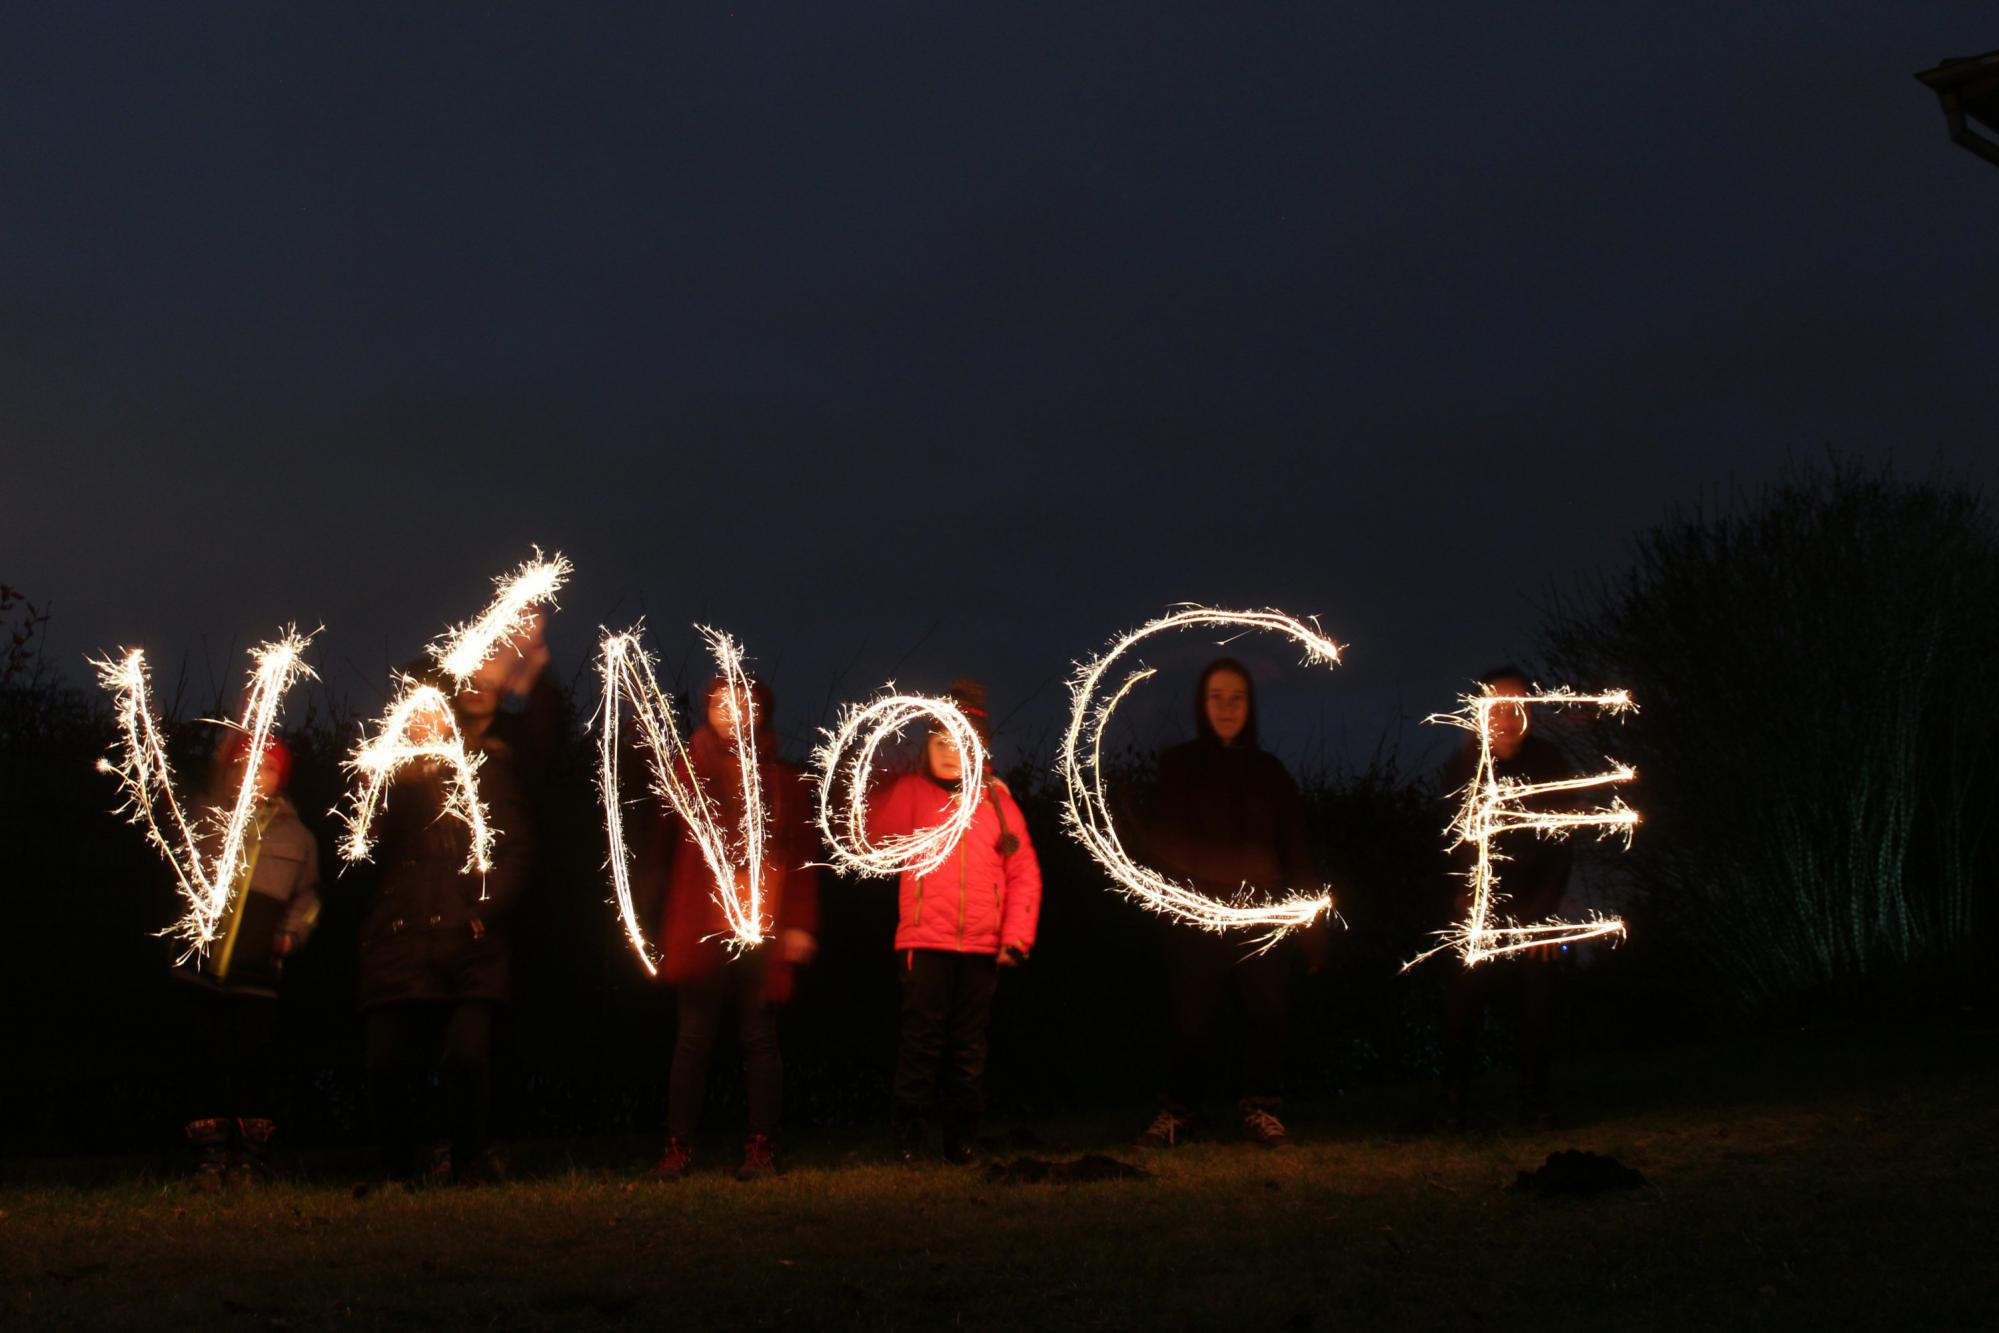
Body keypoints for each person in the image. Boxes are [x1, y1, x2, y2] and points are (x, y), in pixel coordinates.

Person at [1137, 657, 1324, 1150]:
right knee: (1191, 1020)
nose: (1226, 707)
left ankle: (1260, 1107)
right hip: (1195, 918)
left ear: (1250, 705)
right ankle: (1180, 1110)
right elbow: (1166, 841)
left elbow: (1296, 848)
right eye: (1216, 697)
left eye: (1236, 698)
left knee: (1268, 1010)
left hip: (1261, 916)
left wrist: (1311, 927)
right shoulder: (1179, 765)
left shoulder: (1271, 773)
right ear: (1201, 704)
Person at [358, 660, 531, 1186]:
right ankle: (396, 1166)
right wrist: (374, 794)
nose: (423, 719)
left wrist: (483, 910)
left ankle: (467, 1159)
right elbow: (361, 857)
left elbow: (515, 851)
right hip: (400, 942)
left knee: (465, 1056)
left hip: (467, 943)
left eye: (433, 708)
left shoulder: (484, 769)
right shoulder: (386, 778)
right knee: (387, 1062)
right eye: (414, 709)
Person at [649, 677, 820, 1182]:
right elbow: (661, 837)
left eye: (744, 704)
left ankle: (762, 1145)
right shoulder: (688, 769)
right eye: (722, 703)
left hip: (761, 926)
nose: (732, 712)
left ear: (761, 714)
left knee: (759, 1038)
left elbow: (802, 856)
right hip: (702, 924)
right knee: (692, 1039)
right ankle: (678, 1146)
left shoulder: (783, 779)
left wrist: (799, 924)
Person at [865, 679, 1041, 1164]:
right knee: (920, 1044)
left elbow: (1024, 874)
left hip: (982, 946)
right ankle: (910, 1138)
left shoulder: (998, 805)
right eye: (940, 740)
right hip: (925, 941)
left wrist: (1016, 936)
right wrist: (883, 773)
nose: (949, 751)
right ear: (926, 746)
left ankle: (962, 1137)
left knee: (968, 1048)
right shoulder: (911, 793)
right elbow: (871, 835)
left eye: (960, 741)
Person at [176, 733, 321, 1190]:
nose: (256, 775)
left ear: (281, 778)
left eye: (267, 768)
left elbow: (309, 898)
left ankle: (250, 1158)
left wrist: (291, 936)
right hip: (203, 971)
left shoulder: (297, 837)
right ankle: (209, 1156)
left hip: (257, 975)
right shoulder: (206, 819)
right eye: (246, 765)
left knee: (253, 1063)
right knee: (205, 1060)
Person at [1434, 666, 1578, 1130]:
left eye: (1518, 705)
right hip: (1479, 911)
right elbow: (1451, 843)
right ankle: (1452, 1104)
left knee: (1538, 1002)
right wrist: (1463, 897)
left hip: (1533, 908)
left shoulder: (1550, 764)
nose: (1508, 716)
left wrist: (1543, 915)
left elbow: (1560, 847)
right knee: (1462, 1003)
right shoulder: (1464, 767)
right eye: (1498, 706)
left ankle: (1535, 1102)